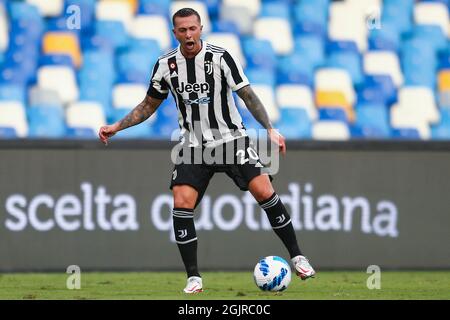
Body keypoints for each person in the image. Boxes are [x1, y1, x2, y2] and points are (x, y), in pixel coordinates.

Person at [98, 7, 315, 294]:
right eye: (182, 30)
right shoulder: (165, 65)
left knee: (263, 190)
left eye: (192, 29)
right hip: (193, 145)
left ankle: (298, 256)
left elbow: (247, 94)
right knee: (181, 201)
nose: (188, 35)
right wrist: (117, 126)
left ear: (201, 29)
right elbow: (148, 105)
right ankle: (194, 278)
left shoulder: (220, 57)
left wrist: (270, 128)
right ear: (174, 32)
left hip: (231, 139)